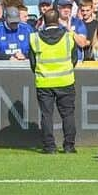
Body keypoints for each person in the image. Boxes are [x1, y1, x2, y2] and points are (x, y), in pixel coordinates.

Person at [28, 8, 78, 154]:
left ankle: (50, 147)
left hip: (44, 82)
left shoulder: (34, 38)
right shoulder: (69, 37)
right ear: (58, 20)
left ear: (43, 21)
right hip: (66, 81)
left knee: (46, 115)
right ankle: (69, 146)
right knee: (68, 114)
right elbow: (74, 60)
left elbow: (32, 63)